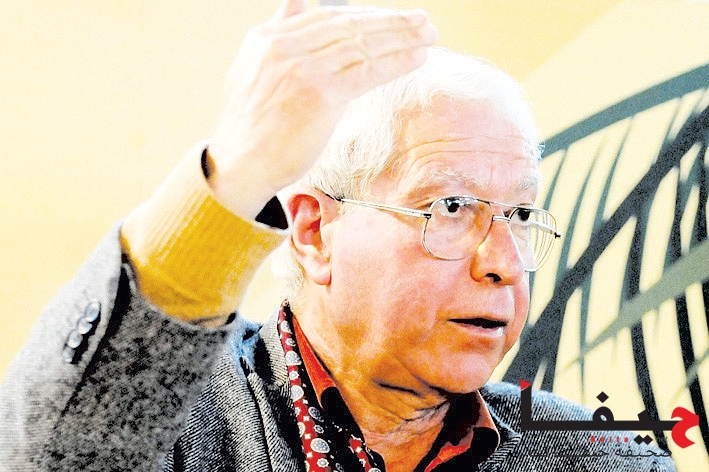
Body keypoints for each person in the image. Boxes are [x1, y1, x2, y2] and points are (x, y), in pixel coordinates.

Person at [0, 1, 676, 471]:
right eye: (450, 207)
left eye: (520, 215)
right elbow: (56, 457)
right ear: (315, 230)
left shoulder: (605, 460)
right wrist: (239, 169)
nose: (501, 262)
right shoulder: (181, 419)